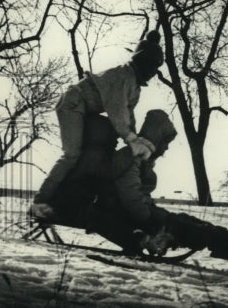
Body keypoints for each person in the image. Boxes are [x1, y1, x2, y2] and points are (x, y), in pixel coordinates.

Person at [47, 109, 228, 270]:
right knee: (183, 227)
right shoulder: (129, 157)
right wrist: (149, 219)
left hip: (136, 212)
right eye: (165, 142)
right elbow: (129, 196)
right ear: (156, 138)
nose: (167, 148)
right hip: (136, 215)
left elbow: (131, 193)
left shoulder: (136, 158)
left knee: (186, 222)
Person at [30, 30, 165, 219]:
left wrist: (138, 140)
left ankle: (63, 198)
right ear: (142, 62)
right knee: (72, 155)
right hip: (72, 104)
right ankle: (40, 201)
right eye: (152, 66)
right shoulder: (123, 76)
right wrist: (132, 139)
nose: (153, 73)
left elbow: (129, 115)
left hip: (86, 109)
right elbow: (117, 112)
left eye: (157, 68)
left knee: (88, 155)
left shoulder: (134, 86)